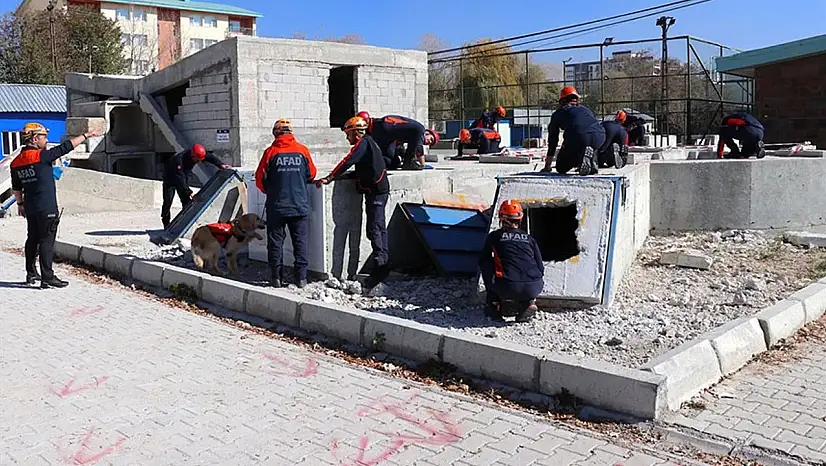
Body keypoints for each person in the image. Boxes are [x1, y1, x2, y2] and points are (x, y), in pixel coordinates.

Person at [10, 123, 98, 288]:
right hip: (46, 207)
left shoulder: (16, 162)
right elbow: (65, 147)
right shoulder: (42, 156)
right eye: (44, 137)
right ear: (35, 139)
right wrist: (85, 136)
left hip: (30, 207)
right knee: (46, 241)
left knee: (32, 239)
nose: (46, 140)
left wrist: (20, 204)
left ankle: (31, 273)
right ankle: (47, 277)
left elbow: (16, 187)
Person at [315, 116, 390, 292]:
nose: (347, 138)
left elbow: (348, 161)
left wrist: (330, 177)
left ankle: (381, 269)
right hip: (375, 190)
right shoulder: (369, 142)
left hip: (377, 192)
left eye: (348, 134)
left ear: (356, 133)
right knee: (376, 229)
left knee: (376, 228)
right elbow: (360, 169)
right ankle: (381, 265)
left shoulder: (363, 143)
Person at [255, 119, 317, 288]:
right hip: (299, 206)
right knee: (300, 242)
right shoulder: (302, 151)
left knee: (275, 243)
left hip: (276, 207)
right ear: (291, 133)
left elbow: (259, 179)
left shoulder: (270, 152)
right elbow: (311, 174)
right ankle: (301, 279)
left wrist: (271, 192)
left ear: (275, 133)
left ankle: (276, 279)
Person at [478, 200, 544, 323]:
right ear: (520, 218)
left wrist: (490, 281)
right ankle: (527, 303)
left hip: (508, 286)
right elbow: (540, 266)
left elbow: (482, 260)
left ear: (501, 217)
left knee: (489, 262)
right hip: (535, 286)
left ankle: (494, 307)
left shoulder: (495, 236)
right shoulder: (530, 239)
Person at [161, 143, 230, 228]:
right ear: (192, 156)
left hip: (183, 177)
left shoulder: (197, 154)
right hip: (170, 180)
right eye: (197, 160)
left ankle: (184, 224)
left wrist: (221, 164)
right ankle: (166, 223)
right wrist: (189, 192)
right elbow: (180, 179)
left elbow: (210, 157)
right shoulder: (179, 160)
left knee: (186, 202)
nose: (198, 162)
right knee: (168, 202)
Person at [540, 86, 605, 176]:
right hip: (600, 136)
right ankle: (592, 160)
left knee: (561, 167)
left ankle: (582, 158)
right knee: (589, 143)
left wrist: (548, 166)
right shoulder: (586, 109)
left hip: (579, 136)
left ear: (562, 100)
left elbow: (553, 141)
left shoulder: (558, 113)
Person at [361, 113, 439, 171]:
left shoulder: (406, 135)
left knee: (393, 163)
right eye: (431, 139)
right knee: (419, 130)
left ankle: (367, 165)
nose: (429, 142)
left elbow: (399, 147)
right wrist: (423, 164)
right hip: (385, 125)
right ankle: (409, 162)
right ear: (427, 133)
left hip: (384, 135)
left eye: (430, 143)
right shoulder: (419, 130)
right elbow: (419, 149)